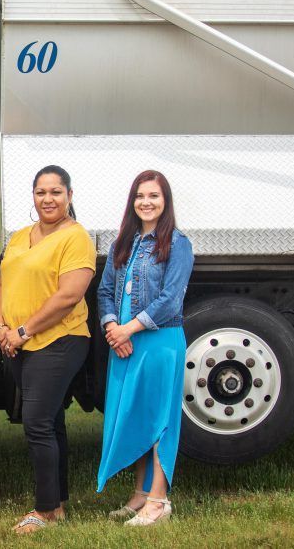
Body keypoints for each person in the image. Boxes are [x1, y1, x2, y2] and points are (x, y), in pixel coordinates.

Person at [0, 166, 96, 534]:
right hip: (18, 342)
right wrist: (1, 327)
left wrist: (22, 331)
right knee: (51, 422)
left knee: (36, 423)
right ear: (32, 196)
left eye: (55, 192)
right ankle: (59, 504)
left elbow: (69, 295)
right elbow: (2, 282)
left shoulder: (77, 238)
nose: (48, 199)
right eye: (41, 192)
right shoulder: (20, 235)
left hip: (60, 340)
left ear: (69, 195)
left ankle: (45, 511)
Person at [96, 170, 195, 526]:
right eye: (140, 195)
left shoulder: (178, 243)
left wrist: (128, 330)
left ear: (165, 201)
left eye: (154, 195)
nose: (146, 202)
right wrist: (112, 328)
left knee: (159, 421)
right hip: (123, 345)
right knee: (135, 416)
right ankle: (139, 495)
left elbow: (170, 300)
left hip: (159, 343)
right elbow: (105, 291)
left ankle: (158, 501)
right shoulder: (122, 243)